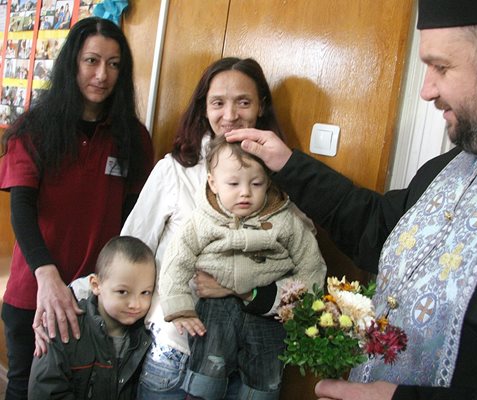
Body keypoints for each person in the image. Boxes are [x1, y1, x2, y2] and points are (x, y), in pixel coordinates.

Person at [226, 1, 477, 399]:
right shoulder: (450, 168)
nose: (427, 90)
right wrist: (287, 164)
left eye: (442, 67)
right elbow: (378, 229)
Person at [120, 57, 302, 399]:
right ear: (204, 108)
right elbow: (130, 253)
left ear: (261, 106)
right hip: (178, 355)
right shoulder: (175, 170)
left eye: (243, 102)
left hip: (251, 367)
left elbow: (301, 276)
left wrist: (239, 285)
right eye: (218, 102)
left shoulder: (283, 179)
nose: (230, 115)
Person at [0, 17, 153, 400]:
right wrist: (47, 278)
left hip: (98, 299)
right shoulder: (32, 128)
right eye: (91, 61)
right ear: (72, 63)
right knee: (26, 387)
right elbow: (22, 209)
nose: (102, 74)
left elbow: (133, 218)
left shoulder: (133, 137)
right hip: (33, 290)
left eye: (114, 64)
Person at [159, 136, 326, 399]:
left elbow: (312, 266)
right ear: (213, 183)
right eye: (233, 184)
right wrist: (178, 307)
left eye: (256, 183)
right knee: (208, 369)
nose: (245, 192)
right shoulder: (203, 219)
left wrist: (291, 299)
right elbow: (176, 259)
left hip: (268, 313)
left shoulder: (285, 219)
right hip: (216, 309)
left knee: (266, 375)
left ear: (268, 182)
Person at [28, 236, 156, 399]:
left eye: (145, 292)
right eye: (122, 292)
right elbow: (44, 392)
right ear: (96, 285)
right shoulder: (63, 327)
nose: (135, 304)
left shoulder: (147, 335)